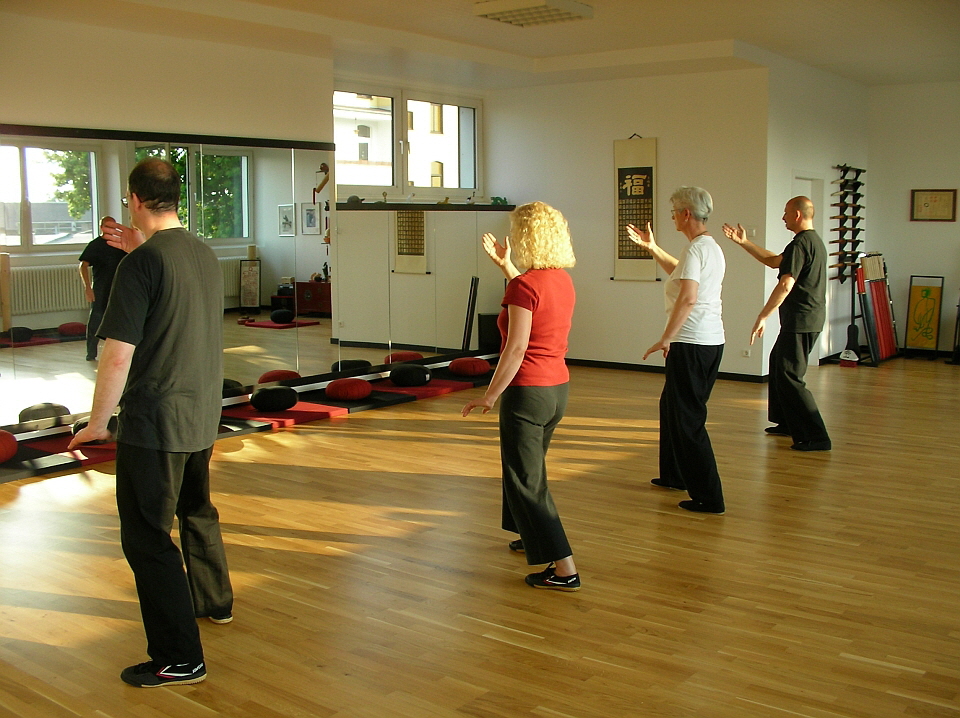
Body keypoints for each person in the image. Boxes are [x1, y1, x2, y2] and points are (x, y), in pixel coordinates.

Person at [69, 158, 233, 687]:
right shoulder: (203, 254)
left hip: (155, 422)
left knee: (146, 537)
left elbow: (117, 354)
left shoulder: (139, 265)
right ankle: (213, 600)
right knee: (195, 509)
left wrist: (98, 423)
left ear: (135, 200)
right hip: (201, 415)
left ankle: (180, 657)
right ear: (175, 197)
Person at [462, 201, 580, 591]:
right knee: (530, 471)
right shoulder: (559, 279)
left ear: (528, 236)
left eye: (515, 229)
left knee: (527, 481)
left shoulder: (524, 286)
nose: (511, 236)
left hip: (527, 393)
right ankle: (528, 534)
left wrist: (490, 395)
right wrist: (506, 267)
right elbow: (532, 299)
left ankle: (566, 569)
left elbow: (514, 350)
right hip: (556, 391)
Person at [627, 186, 726, 514]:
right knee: (672, 407)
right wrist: (653, 247)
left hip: (693, 343)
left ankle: (709, 497)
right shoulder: (704, 248)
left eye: (673, 211)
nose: (671, 216)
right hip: (707, 342)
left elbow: (688, 297)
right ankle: (674, 474)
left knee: (688, 419)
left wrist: (667, 336)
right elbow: (680, 275)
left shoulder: (698, 250)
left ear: (686, 214)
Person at [721, 196, 831, 452]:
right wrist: (744, 242)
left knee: (790, 375)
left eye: (785, 213)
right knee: (778, 363)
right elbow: (774, 261)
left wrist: (763, 315)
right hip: (804, 318)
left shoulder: (802, 243)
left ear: (796, 215)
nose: (782, 217)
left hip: (802, 319)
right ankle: (787, 422)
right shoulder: (809, 242)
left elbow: (785, 284)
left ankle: (817, 437)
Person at [78, 216, 127, 361]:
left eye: (113, 227)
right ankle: (91, 353)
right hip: (100, 287)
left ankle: (119, 352)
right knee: (96, 319)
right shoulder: (95, 245)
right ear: (102, 227)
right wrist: (88, 287)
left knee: (120, 320)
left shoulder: (120, 244)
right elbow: (83, 265)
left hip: (118, 287)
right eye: (108, 227)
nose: (111, 230)